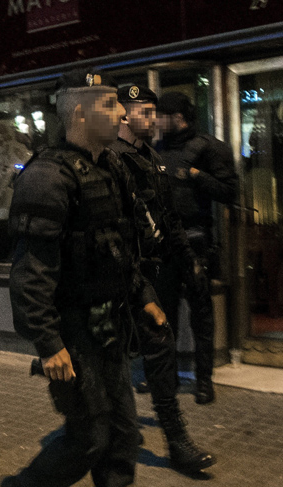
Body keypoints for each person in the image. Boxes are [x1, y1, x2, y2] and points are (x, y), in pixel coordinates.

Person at [3, 71, 166, 487]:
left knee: (124, 433)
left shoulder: (113, 166)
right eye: (109, 106)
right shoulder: (46, 177)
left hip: (110, 320)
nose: (121, 115)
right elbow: (30, 273)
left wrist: (143, 295)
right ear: (78, 112)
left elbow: (122, 245)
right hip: (71, 327)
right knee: (89, 438)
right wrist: (49, 342)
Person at [109, 84, 215, 473]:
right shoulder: (111, 160)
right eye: (142, 111)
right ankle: (120, 426)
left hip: (149, 273)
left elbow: (169, 220)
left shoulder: (151, 159)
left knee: (156, 346)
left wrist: (189, 262)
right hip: (119, 277)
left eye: (153, 112)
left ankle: (175, 440)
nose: (151, 119)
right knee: (116, 355)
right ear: (122, 114)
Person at [156, 91, 239, 405]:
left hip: (195, 243)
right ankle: (167, 377)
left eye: (161, 115)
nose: (156, 121)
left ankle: (204, 381)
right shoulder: (156, 149)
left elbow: (229, 192)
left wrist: (195, 175)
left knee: (201, 316)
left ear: (177, 118)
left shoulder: (208, 148)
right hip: (164, 245)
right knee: (164, 316)